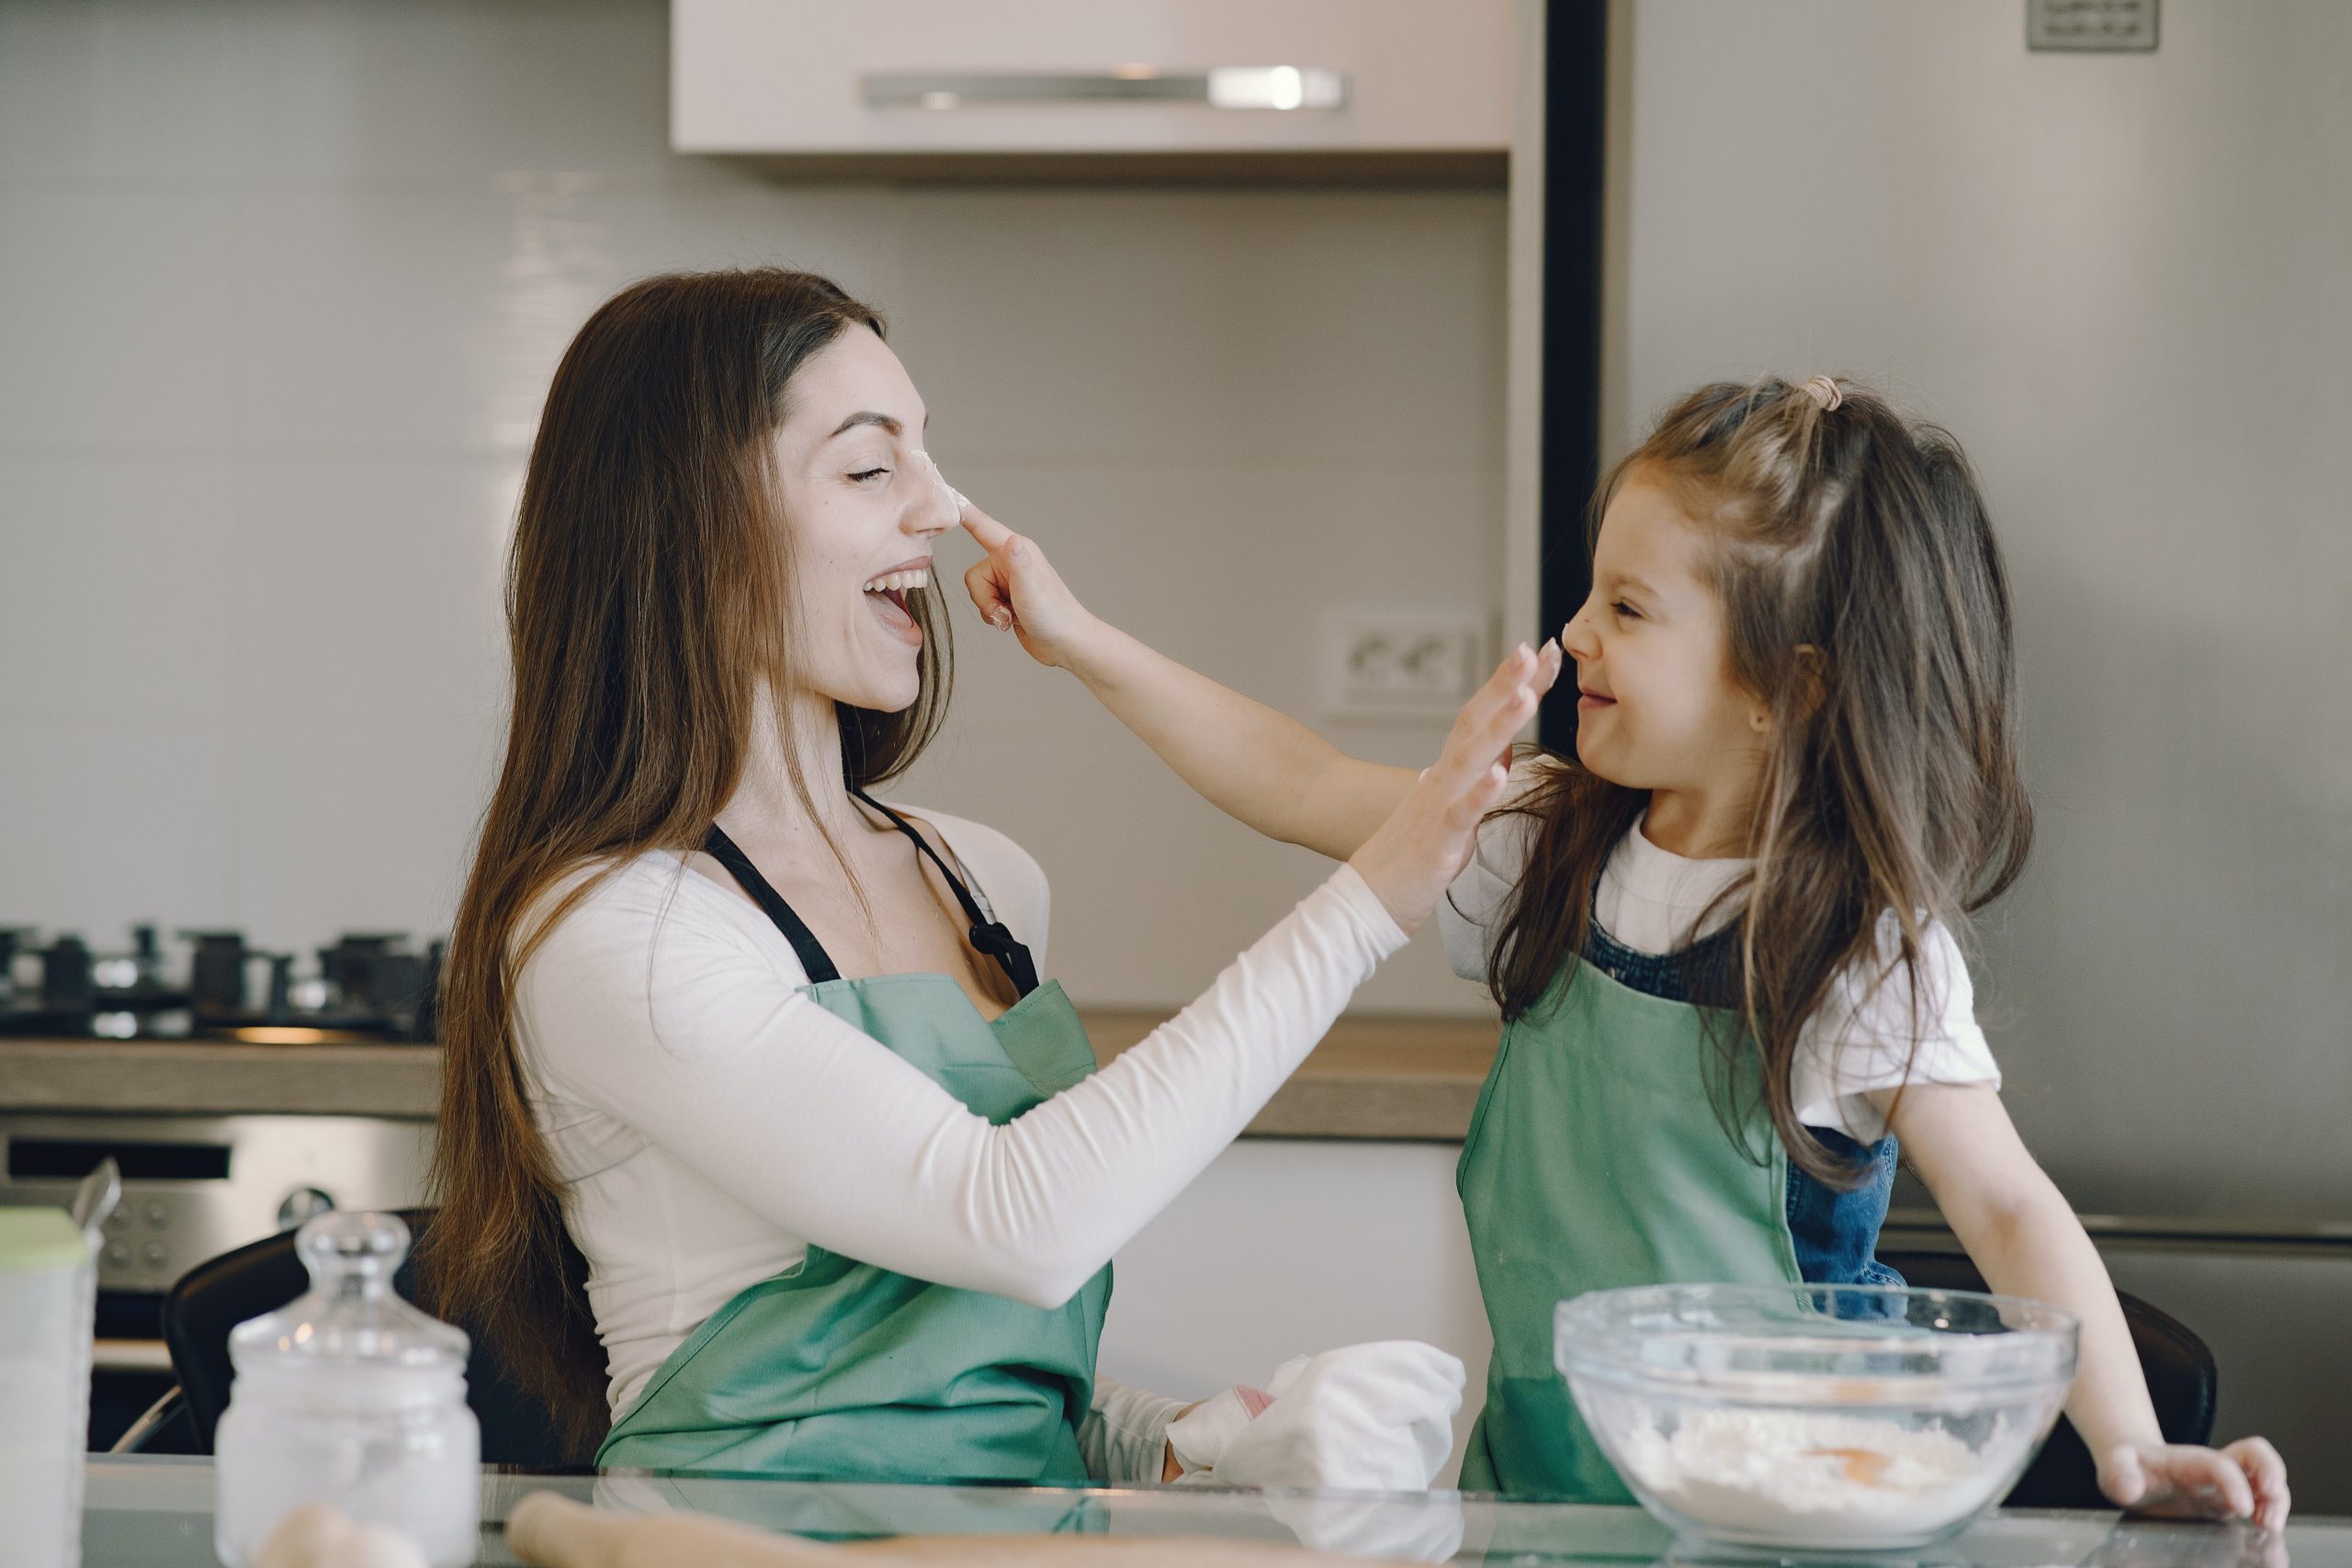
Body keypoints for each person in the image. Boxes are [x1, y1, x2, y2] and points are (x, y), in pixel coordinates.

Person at [956, 375, 2290, 1525]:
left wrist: (2127, 1446)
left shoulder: (1854, 948)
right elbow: (1295, 778)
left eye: (1631, 610)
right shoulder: (1546, 839)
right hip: (1541, 1498)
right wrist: (1080, 644)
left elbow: (2007, 1207)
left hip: (1789, 1516)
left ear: (1788, 691)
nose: (1575, 633)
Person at [420, 267, 1552, 1484]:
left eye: (928, 456)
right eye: (869, 467)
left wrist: (1190, 1440)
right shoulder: (621, 931)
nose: (940, 507)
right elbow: (1019, 1221)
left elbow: (971, 1378)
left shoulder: (980, 880)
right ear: (689, 520)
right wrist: (1371, 900)